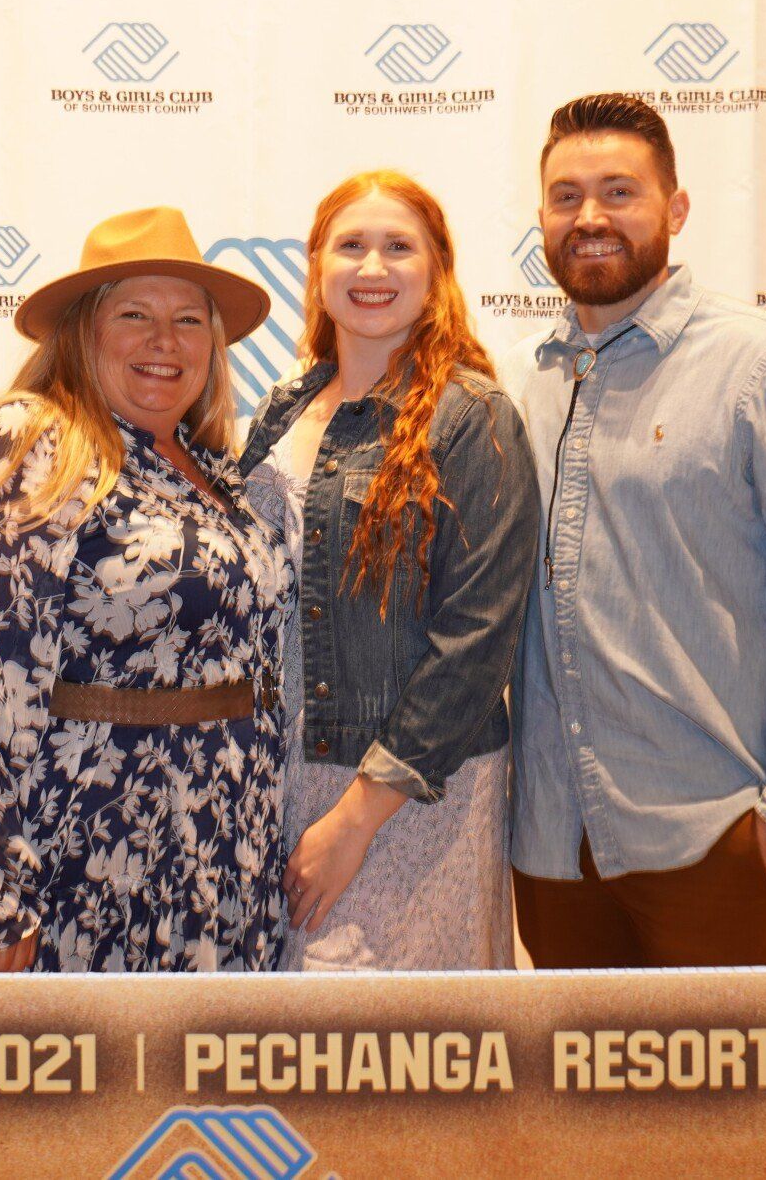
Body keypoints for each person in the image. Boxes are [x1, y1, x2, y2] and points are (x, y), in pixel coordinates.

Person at [499, 92, 766, 968]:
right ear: (542, 219)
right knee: (575, 1072)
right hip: (551, 854)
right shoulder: (521, 382)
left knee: (738, 1072)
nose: (591, 216)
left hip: (714, 844)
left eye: (619, 191)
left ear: (675, 208)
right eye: (567, 196)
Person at [0, 207, 293, 973]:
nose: (164, 340)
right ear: (83, 330)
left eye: (188, 319)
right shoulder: (32, 441)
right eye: (135, 314)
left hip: (228, 869)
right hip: (87, 868)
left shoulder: (220, 472)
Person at [239, 170, 538, 970]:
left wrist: (355, 821)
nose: (372, 267)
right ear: (316, 267)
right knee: (294, 1035)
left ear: (437, 271)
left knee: (413, 1034)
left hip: (412, 796)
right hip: (282, 779)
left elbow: (476, 645)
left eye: (398, 246)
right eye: (351, 245)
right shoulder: (279, 408)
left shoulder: (473, 417)